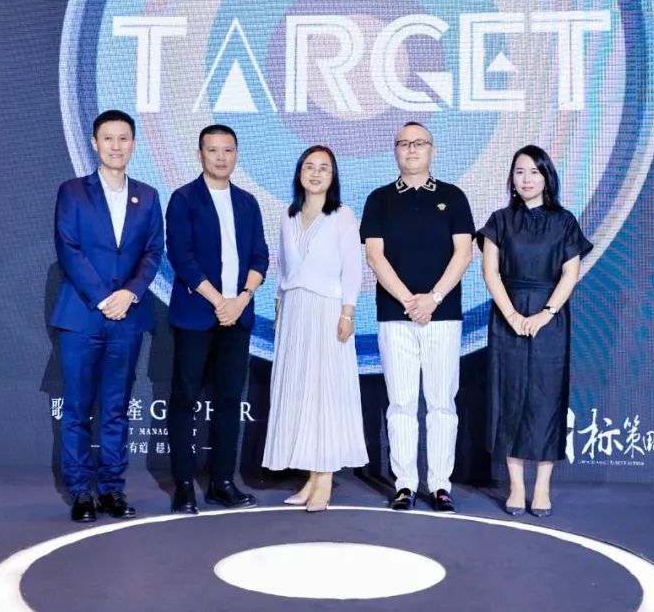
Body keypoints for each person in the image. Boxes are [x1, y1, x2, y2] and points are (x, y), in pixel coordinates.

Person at [50, 109, 164, 522]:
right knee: (78, 409)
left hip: (127, 318)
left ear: (134, 144)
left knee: (116, 408)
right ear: (95, 143)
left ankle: (112, 489)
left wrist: (130, 294)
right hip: (83, 316)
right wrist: (104, 298)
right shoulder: (73, 192)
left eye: (124, 138)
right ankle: (81, 492)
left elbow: (153, 251)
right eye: (108, 138)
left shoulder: (147, 196)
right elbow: (68, 247)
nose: (116, 146)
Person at [360, 122, 474, 513]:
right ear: (394, 150)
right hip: (396, 314)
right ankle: (405, 484)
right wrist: (410, 301)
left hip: (443, 315)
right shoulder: (379, 199)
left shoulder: (453, 197)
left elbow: (464, 253)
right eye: (404, 144)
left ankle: (440, 485)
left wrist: (434, 299)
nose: (411, 150)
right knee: (402, 403)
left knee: (442, 402)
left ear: (432, 150)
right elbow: (374, 256)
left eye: (419, 143)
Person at [479, 145, 592, 518]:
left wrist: (546, 313)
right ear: (511, 178)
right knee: (509, 397)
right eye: (519, 171)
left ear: (547, 177)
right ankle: (516, 486)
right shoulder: (499, 220)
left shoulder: (564, 222)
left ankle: (542, 486)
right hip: (507, 316)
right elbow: (490, 273)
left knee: (546, 400)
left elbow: (570, 273)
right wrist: (511, 314)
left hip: (550, 318)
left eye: (534, 172)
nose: (526, 179)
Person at [165, 124, 269, 514]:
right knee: (185, 399)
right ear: (200, 155)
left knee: (229, 400)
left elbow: (259, 256)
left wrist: (241, 300)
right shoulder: (183, 199)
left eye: (228, 150)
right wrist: (218, 301)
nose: (221, 157)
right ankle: (184, 485)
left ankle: (222, 482)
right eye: (213, 150)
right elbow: (182, 257)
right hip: (197, 315)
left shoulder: (247, 202)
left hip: (237, 318)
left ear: (236, 154)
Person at [262, 146, 367, 512]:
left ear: (333, 176)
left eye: (324, 168)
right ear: (299, 173)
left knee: (325, 392)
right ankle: (311, 477)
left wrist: (348, 313)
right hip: (294, 313)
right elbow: (282, 270)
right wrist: (279, 309)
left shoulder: (342, 215)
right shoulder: (287, 215)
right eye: (310, 167)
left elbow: (352, 269)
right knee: (301, 393)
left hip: (328, 311)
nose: (316, 173)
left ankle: (325, 480)